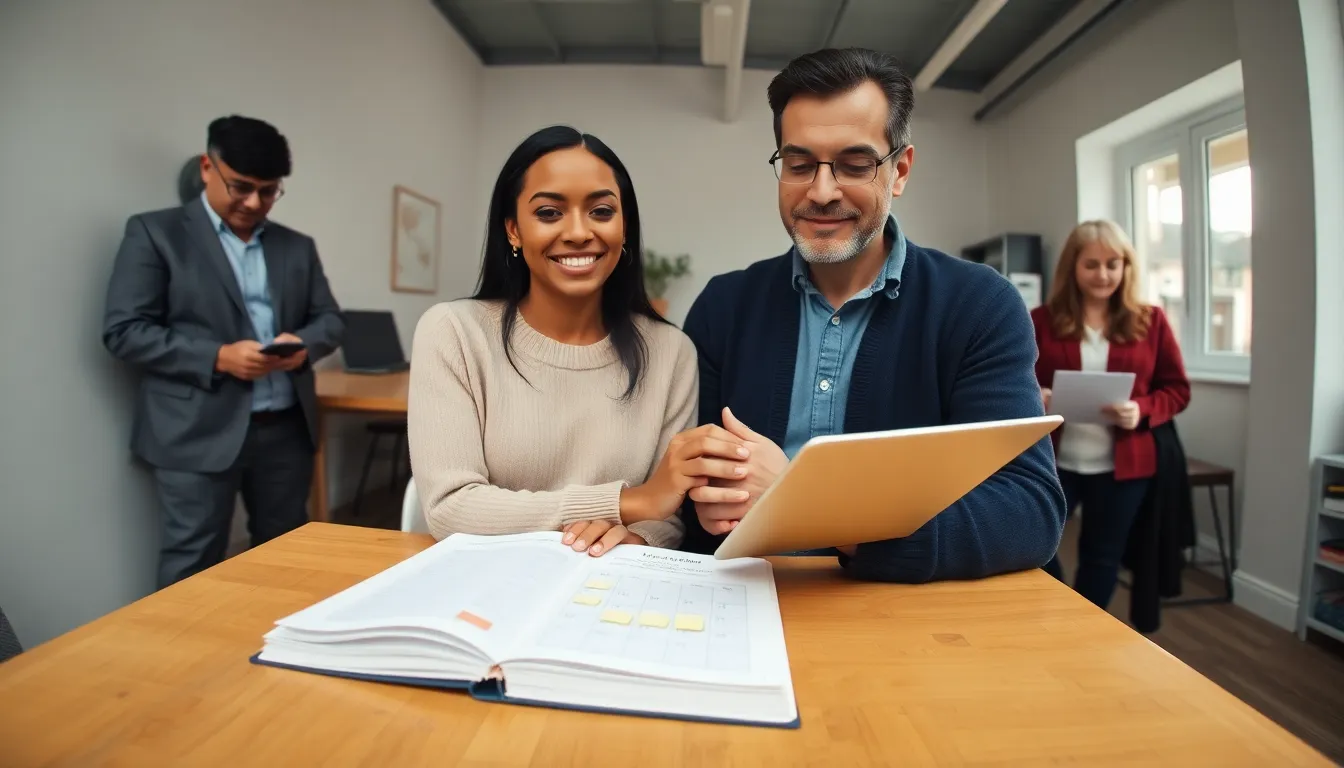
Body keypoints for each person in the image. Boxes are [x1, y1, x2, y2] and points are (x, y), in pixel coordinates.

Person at [677, 47, 1067, 582]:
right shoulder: (724, 307)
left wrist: (808, 506)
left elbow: (1029, 512)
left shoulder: (979, 305)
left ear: (899, 170)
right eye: (798, 164)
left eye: (854, 165)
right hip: (745, 608)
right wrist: (699, 500)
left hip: (910, 625)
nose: (821, 191)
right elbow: (686, 495)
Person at [408, 126, 748, 556]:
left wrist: (637, 535)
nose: (578, 232)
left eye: (601, 211)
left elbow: (668, 515)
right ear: (513, 230)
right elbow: (449, 509)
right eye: (549, 212)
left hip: (604, 586)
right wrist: (628, 503)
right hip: (478, 581)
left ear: (625, 228)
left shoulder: (671, 352)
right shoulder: (454, 332)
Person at [103, 115, 344, 588]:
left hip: (285, 430)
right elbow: (124, 331)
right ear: (207, 168)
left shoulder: (297, 246)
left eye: (269, 191)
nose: (254, 203)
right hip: (193, 432)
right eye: (241, 187)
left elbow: (331, 320)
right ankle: (182, 662)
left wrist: (305, 345)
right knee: (192, 562)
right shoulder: (155, 234)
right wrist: (218, 357)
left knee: (286, 557)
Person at [1033, 220, 1191, 609]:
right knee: (1035, 543)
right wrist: (1034, 394)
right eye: (1091, 264)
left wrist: (1142, 409)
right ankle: (1060, 607)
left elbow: (1177, 390)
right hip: (1053, 460)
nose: (1103, 274)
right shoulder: (1041, 320)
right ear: (1072, 267)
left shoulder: (1151, 321)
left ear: (1126, 267)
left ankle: (1085, 632)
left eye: (1112, 264)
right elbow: (1013, 379)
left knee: (1102, 558)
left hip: (1125, 466)